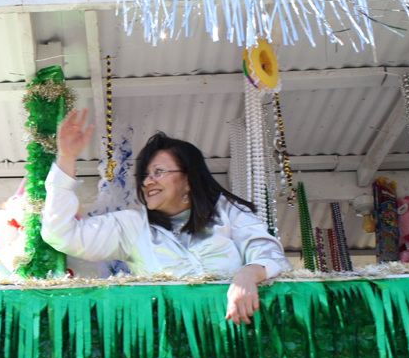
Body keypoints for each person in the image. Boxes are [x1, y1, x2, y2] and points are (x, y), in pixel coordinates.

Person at [41, 108, 290, 325]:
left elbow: (271, 256)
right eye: (145, 175)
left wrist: (247, 275)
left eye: (158, 172)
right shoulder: (132, 225)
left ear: (189, 179)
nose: (148, 181)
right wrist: (66, 157)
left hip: (237, 340)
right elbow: (62, 233)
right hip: (170, 350)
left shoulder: (227, 213)